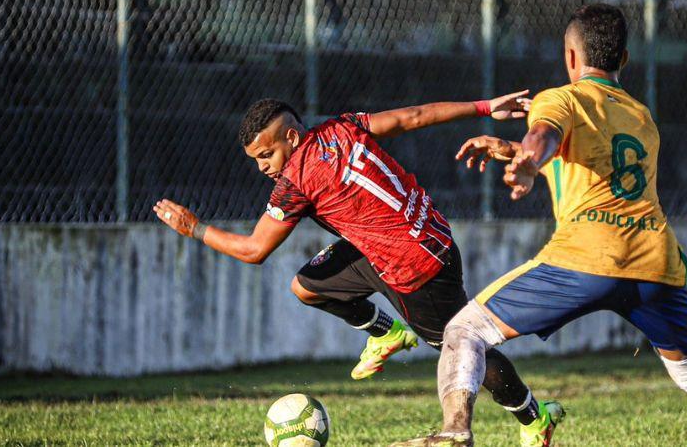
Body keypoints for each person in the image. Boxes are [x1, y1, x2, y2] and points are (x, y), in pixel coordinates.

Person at [393, 4, 687, 447]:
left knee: (463, 330)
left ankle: (455, 432)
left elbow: (547, 136)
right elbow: (592, 165)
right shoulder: (642, 117)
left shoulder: (561, 98)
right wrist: (514, 151)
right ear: (624, 59)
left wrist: (528, 160)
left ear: (570, 57)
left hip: (585, 258)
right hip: (655, 262)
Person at [152, 91, 558, 444]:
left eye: (266, 155)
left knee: (463, 350)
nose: (262, 167)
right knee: (306, 286)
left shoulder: (296, 183)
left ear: (291, 138)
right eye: (255, 159)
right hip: (410, 242)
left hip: (417, 270)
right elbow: (411, 118)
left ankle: (535, 417)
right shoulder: (343, 126)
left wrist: (195, 228)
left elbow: (255, 250)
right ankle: (386, 333)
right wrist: (484, 106)